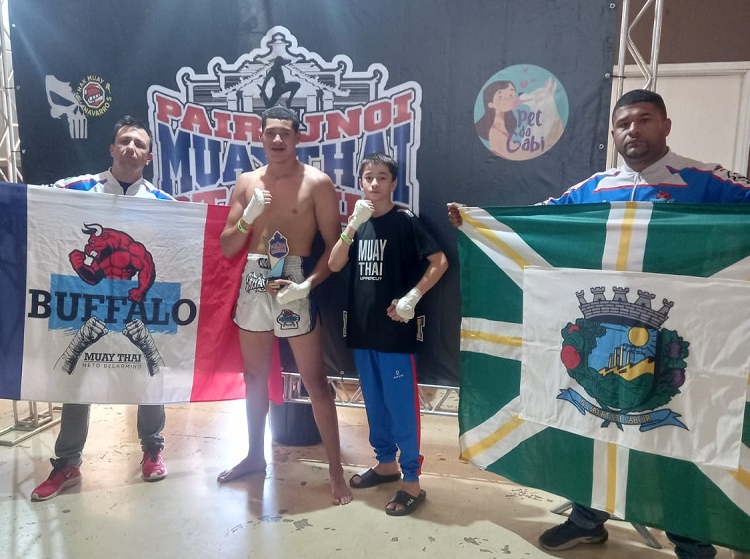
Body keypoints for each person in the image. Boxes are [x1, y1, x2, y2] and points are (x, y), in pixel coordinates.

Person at [449, 89, 750, 558]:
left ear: (665, 126)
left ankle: (691, 542)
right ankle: (588, 520)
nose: (633, 130)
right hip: (606, 334)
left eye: (644, 120)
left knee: (677, 437)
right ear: (613, 133)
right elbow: (537, 223)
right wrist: (478, 223)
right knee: (594, 423)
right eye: (623, 123)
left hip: (681, 337)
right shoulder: (595, 188)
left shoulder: (706, 181)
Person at [31, 116, 175, 502]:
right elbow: (32, 203)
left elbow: (185, 249)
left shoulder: (164, 205)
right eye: (124, 141)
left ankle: (152, 449)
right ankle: (67, 462)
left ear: (149, 157)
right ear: (112, 148)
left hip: (136, 303)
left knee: (149, 371)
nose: (131, 148)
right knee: (77, 375)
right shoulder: (78, 189)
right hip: (88, 300)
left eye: (139, 144)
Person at [218, 105, 353, 506]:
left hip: (294, 277)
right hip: (255, 277)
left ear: (297, 137)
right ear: (260, 136)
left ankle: (335, 471)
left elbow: (334, 247)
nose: (277, 139)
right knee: (254, 377)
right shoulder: (246, 182)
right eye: (271, 132)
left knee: (315, 380)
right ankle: (253, 456)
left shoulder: (317, 183)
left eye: (285, 133)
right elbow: (228, 246)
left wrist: (307, 284)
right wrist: (248, 219)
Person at [328, 153, 448, 516]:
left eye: (382, 177)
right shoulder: (358, 223)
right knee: (375, 403)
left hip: (395, 332)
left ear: (394, 183)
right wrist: (351, 226)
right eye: (369, 177)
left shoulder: (404, 220)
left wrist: (413, 297)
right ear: (360, 182)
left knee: (401, 406)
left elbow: (440, 261)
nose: (375, 183)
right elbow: (334, 263)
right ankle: (385, 463)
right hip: (363, 330)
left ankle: (411, 480)